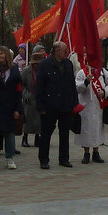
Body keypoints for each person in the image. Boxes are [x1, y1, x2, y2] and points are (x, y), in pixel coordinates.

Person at [35, 40, 79, 169]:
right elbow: (39, 87)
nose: (66, 53)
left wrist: (74, 102)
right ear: (56, 51)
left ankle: (64, 158)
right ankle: (44, 159)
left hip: (65, 105)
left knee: (64, 134)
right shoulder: (44, 64)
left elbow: (72, 84)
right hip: (49, 105)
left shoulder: (68, 64)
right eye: (64, 50)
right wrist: (40, 106)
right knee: (46, 134)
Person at [75, 57, 108, 164]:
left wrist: (104, 91)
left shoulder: (103, 72)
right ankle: (86, 152)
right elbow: (77, 88)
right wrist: (86, 82)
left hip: (98, 106)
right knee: (86, 129)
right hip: (86, 106)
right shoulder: (81, 73)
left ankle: (96, 152)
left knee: (97, 128)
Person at [21, 47, 44, 148]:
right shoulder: (26, 71)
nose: (37, 65)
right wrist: (25, 94)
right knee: (28, 119)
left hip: (40, 97)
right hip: (29, 97)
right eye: (35, 63)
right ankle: (24, 138)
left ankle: (37, 138)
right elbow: (21, 85)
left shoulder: (43, 71)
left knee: (39, 120)